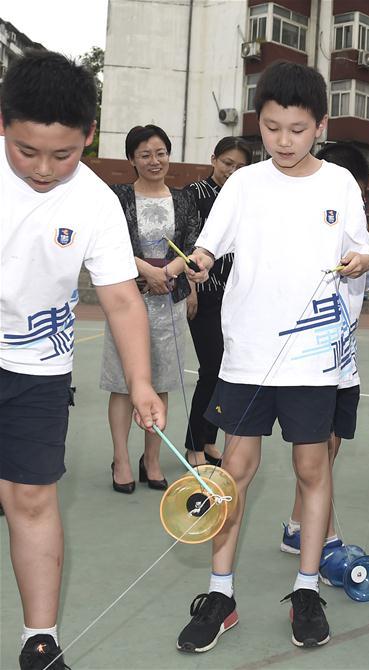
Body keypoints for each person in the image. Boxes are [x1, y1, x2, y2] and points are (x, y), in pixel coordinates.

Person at [177, 60, 369, 653]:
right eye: (270, 128)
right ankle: (220, 593)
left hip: (313, 359)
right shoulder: (243, 184)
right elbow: (210, 246)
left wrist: (362, 261)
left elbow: (363, 252)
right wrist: (199, 261)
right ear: (256, 124)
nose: (283, 141)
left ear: (320, 126)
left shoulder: (339, 183)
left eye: (296, 128)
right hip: (248, 357)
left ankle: (306, 589)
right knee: (234, 473)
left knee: (313, 472)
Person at [0, 50, 168, 670]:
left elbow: (123, 298)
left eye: (62, 154)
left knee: (33, 500)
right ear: (2, 123)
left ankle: (38, 641)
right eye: (26, 151)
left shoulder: (97, 203)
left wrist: (143, 381)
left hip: (38, 368)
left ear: (89, 137)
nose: (43, 169)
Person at [280, 141, 369, 559]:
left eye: (358, 195)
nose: (353, 203)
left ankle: (297, 525)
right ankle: (324, 537)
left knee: (331, 445)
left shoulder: (358, 236)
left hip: (344, 363)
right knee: (314, 451)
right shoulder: (302, 231)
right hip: (309, 361)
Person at [102, 125, 200, 493]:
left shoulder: (183, 199)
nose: (154, 161)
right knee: (124, 383)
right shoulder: (117, 197)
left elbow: (192, 245)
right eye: (145, 154)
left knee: (161, 382)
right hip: (127, 298)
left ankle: (153, 459)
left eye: (160, 153)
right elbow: (108, 245)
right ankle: (122, 459)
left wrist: (168, 273)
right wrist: (146, 270)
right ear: (132, 159)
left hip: (169, 301)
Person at [184, 137, 252, 468]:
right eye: (227, 163)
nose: (232, 171)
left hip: (237, 296)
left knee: (226, 372)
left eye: (240, 166)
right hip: (205, 294)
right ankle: (194, 444)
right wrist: (191, 289)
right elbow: (187, 243)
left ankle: (209, 439)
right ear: (214, 159)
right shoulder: (195, 194)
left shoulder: (248, 199)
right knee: (211, 369)